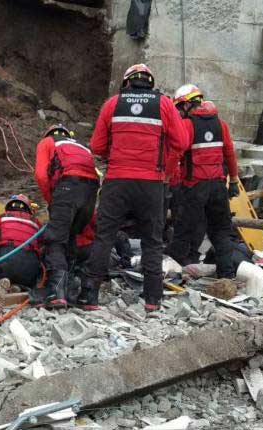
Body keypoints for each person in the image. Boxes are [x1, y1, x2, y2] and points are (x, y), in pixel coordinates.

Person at [82, 63, 188, 312]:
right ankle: (152, 299)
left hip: (117, 180)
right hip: (151, 183)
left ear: (127, 82)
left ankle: (90, 296)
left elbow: (97, 146)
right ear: (150, 82)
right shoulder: (163, 104)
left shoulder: (112, 104)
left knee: (105, 236)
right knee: (152, 240)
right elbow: (181, 141)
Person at [165, 101, 240, 279]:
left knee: (183, 230)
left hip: (193, 187)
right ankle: (226, 275)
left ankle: (170, 271)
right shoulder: (221, 125)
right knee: (221, 232)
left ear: (187, 106)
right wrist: (234, 180)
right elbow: (229, 154)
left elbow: (176, 153)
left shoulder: (187, 125)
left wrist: (166, 177)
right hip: (218, 186)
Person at [34, 123, 99, 307]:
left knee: (55, 239)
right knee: (70, 237)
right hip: (91, 190)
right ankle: (70, 289)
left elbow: (40, 175)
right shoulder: (81, 146)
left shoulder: (47, 142)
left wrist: (52, 200)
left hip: (67, 185)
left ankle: (55, 291)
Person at [164, 83, 207, 264]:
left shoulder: (188, 124)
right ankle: (181, 255)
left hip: (180, 181)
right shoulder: (185, 123)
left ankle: (182, 256)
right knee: (182, 220)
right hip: (177, 180)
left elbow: (177, 153)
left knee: (184, 220)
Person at [0, 194, 43, 289]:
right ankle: (21, 287)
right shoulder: (36, 223)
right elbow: (42, 245)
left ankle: (0, 285)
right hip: (29, 267)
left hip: (4, 259)